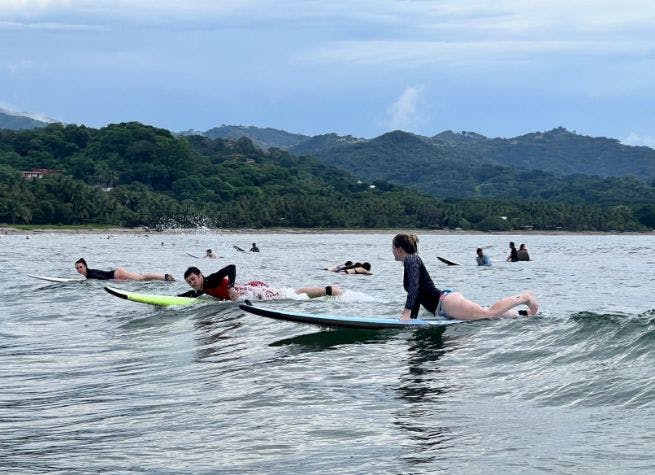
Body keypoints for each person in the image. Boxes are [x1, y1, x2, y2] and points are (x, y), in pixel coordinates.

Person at [392, 234, 538, 321]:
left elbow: (414, 288)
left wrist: (406, 313)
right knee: (485, 313)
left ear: (399, 249)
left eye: (392, 248)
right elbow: (417, 294)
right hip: (444, 306)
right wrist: (412, 319)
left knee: (489, 314)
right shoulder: (410, 261)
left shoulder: (411, 259)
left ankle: (525, 298)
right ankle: (522, 314)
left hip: (446, 303)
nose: (392, 251)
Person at [178, 264, 342, 300]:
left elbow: (231, 268)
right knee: (290, 294)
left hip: (254, 292)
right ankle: (327, 290)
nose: (192, 283)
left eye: (193, 279)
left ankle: (328, 290)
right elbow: (190, 294)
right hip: (251, 290)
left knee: (291, 294)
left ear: (200, 275)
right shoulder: (201, 289)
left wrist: (230, 287)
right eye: (189, 282)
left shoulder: (211, 278)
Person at [75, 258, 175, 281]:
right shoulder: (90, 272)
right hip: (117, 272)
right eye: (77, 268)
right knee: (142, 278)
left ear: (85, 266)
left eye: (81, 267)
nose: (79, 269)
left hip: (117, 275)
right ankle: (164, 277)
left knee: (142, 278)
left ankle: (166, 277)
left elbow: (102, 279)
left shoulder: (90, 274)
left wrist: (115, 281)